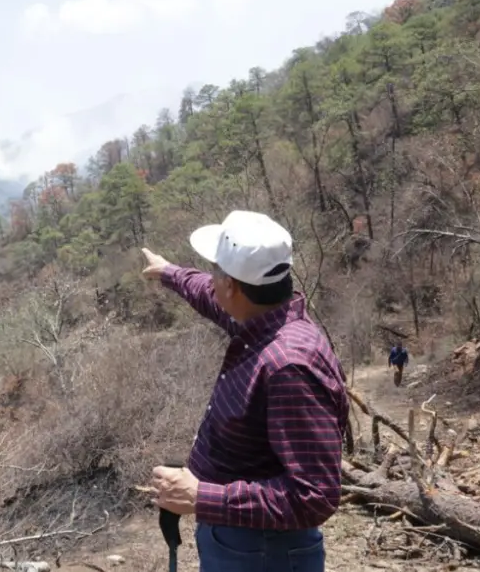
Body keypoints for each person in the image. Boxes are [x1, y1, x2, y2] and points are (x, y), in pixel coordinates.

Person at [140, 210, 349, 572]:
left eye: (216, 271)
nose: (211, 279)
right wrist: (168, 272)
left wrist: (200, 497)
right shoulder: (264, 320)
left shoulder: (288, 367)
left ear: (232, 286)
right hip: (244, 541)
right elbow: (207, 293)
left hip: (265, 552)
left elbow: (315, 496)